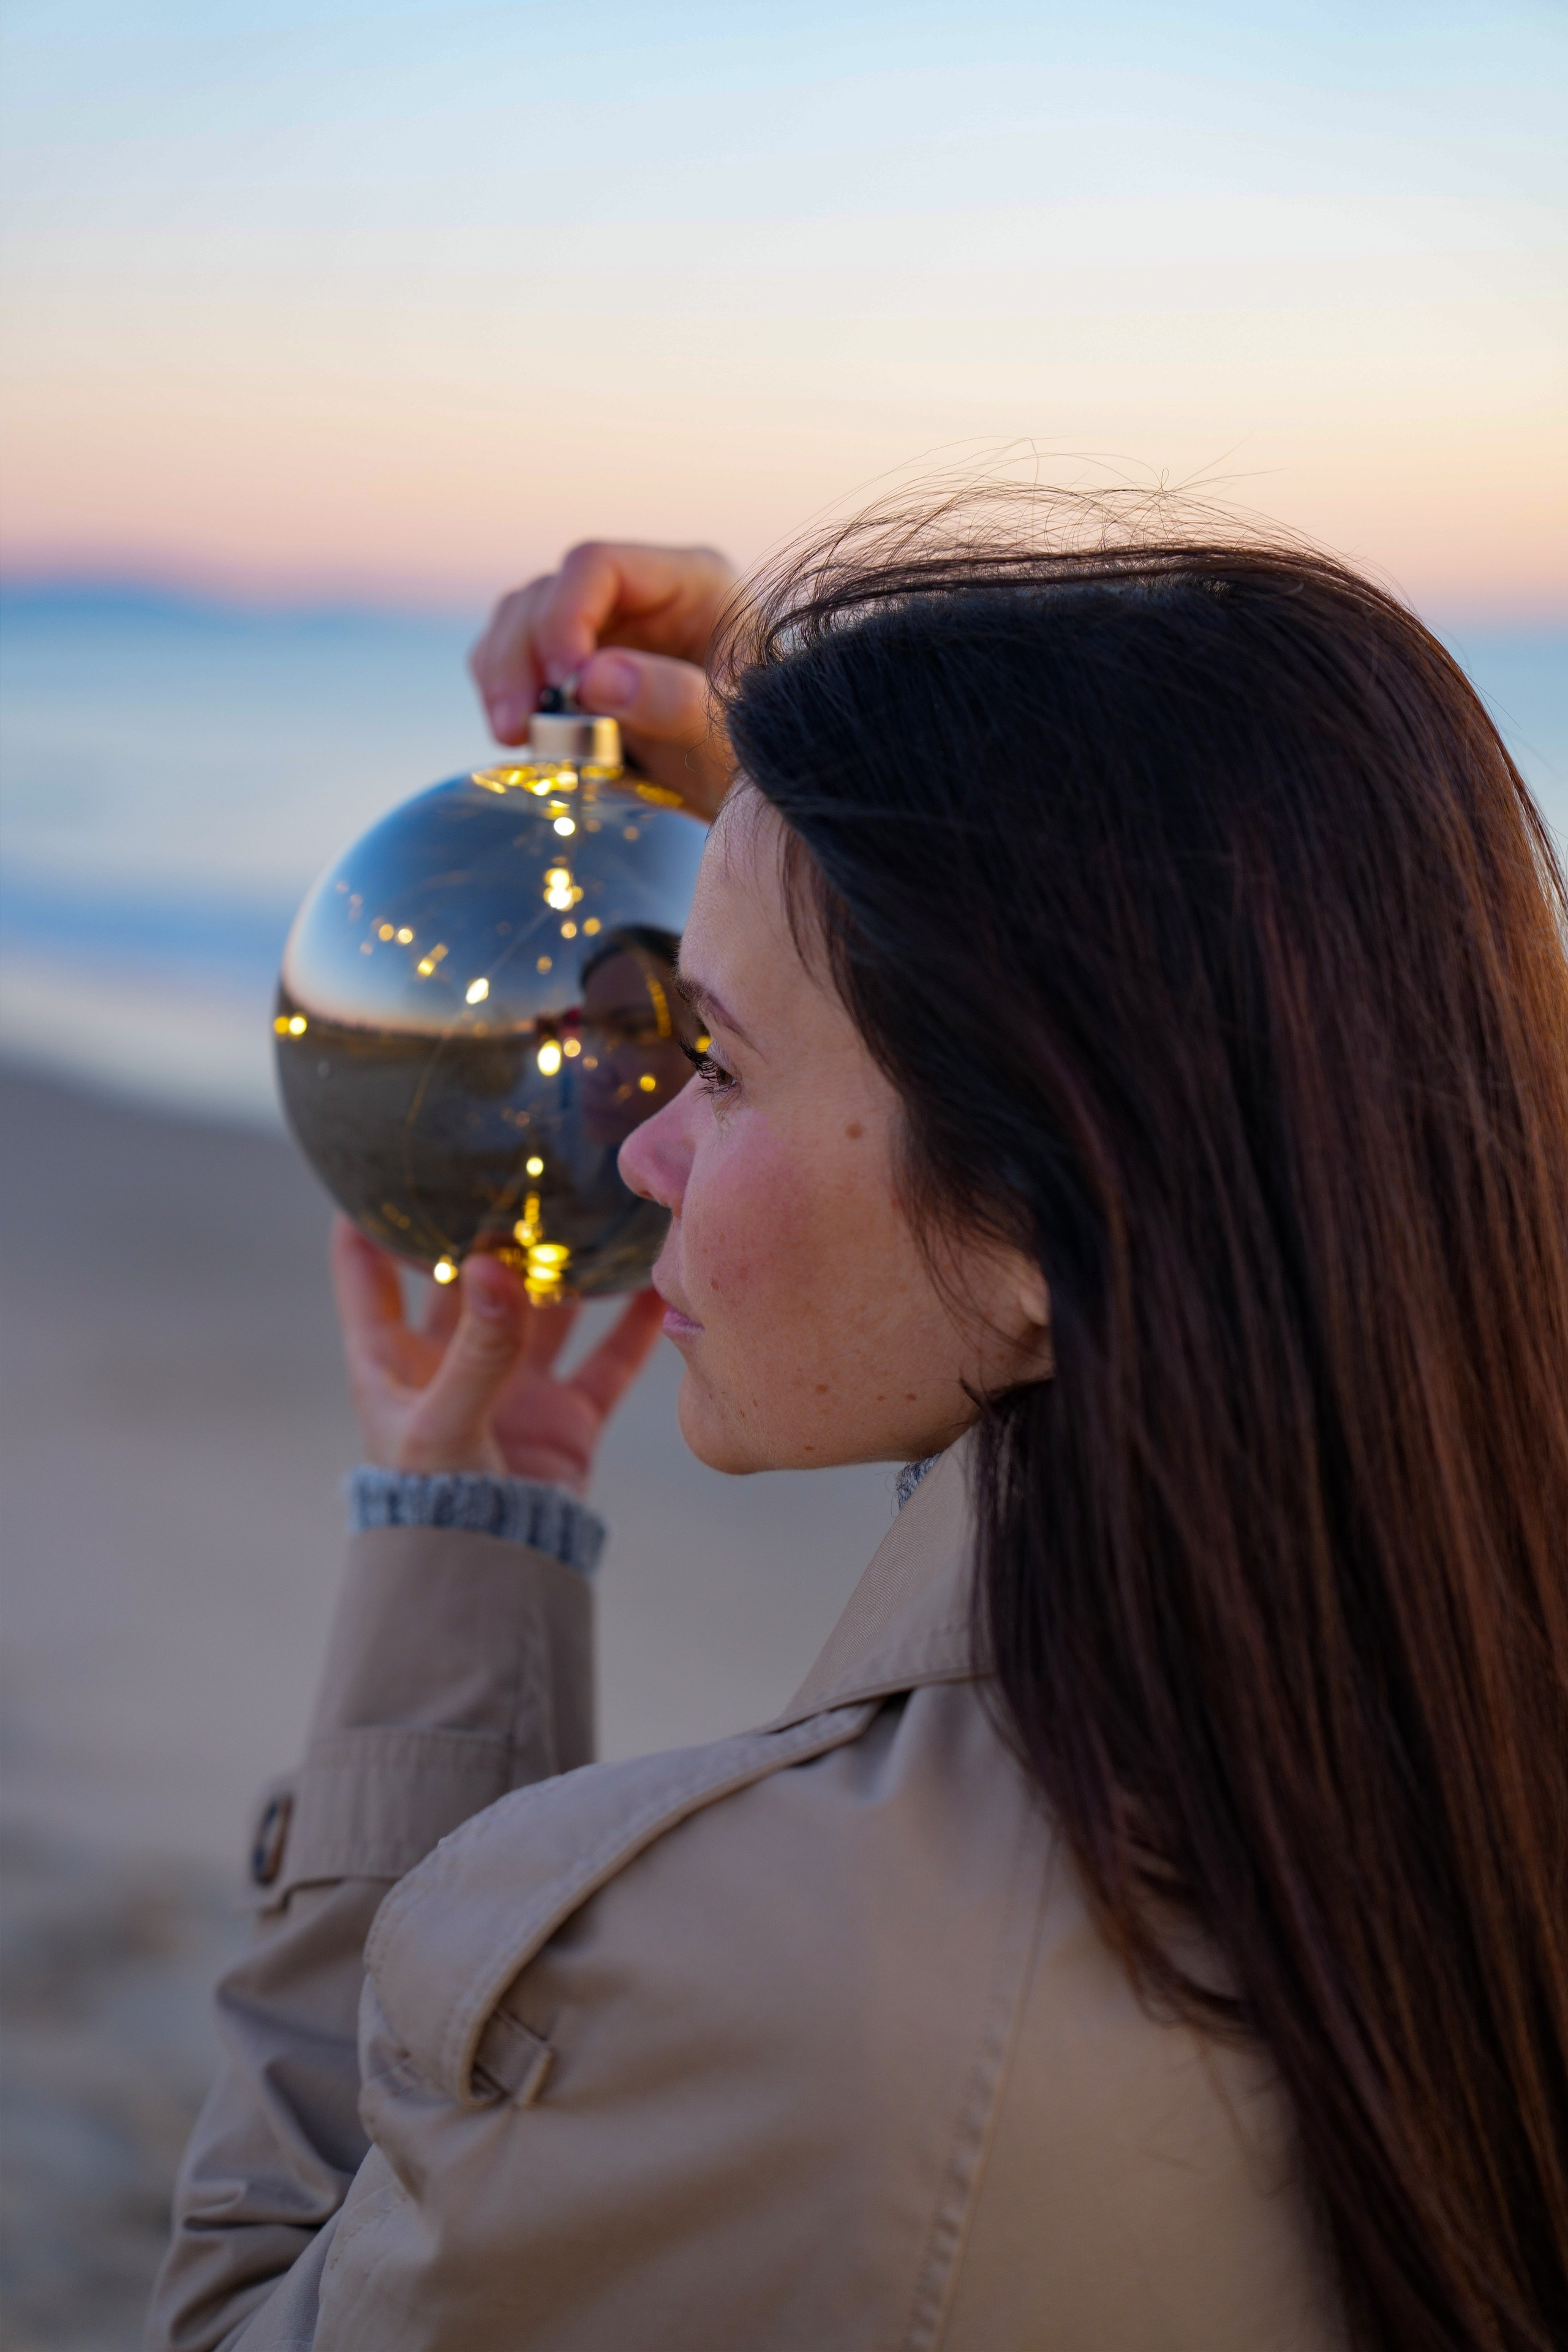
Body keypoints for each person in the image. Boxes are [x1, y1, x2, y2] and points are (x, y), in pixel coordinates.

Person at [149, 504, 1568, 2352]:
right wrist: (826, 846)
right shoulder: (1446, 1677)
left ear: (1050, 1220)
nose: (645, 1154)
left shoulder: (750, 1983)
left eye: (717, 1065)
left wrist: (439, 1584)